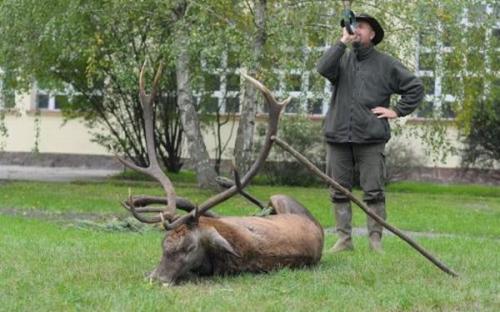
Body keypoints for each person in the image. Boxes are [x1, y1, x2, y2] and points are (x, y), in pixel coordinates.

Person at [316, 14, 424, 252]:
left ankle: (375, 241)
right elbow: (322, 68)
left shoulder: (386, 63)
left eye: (361, 27)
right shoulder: (341, 60)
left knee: (374, 191)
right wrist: (341, 42)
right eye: (353, 26)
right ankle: (344, 240)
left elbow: (415, 88)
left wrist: (396, 111)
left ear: (372, 34)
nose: (356, 30)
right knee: (338, 191)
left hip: (371, 138)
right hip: (338, 137)